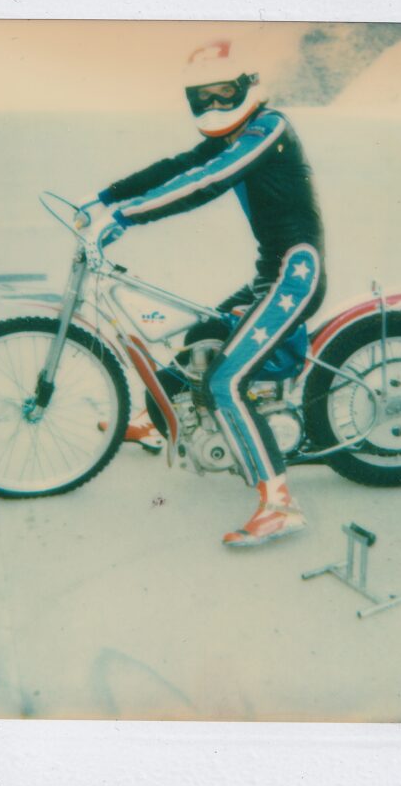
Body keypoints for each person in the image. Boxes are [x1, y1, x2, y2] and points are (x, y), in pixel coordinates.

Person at [78, 39, 326, 547]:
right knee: (201, 334)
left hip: (296, 277)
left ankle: (279, 503)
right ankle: (158, 421)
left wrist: (125, 217)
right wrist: (106, 196)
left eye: (223, 93)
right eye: (201, 96)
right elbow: (181, 165)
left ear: (247, 87)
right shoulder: (235, 133)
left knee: (226, 381)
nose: (213, 105)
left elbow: (206, 181)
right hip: (271, 274)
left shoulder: (267, 130)